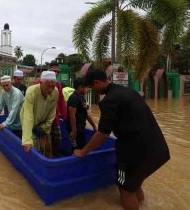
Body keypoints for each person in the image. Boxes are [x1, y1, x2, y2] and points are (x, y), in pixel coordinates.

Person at [74, 69, 170, 210]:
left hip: (135, 153)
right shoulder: (129, 92)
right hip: (159, 149)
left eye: (92, 87)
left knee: (125, 188)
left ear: (96, 82)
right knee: (134, 184)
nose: (92, 91)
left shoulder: (109, 100)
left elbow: (103, 134)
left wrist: (83, 152)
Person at [20, 71, 58, 157]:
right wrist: (26, 140)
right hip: (28, 120)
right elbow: (28, 115)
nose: (50, 90)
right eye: (48, 86)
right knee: (33, 144)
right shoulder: (31, 92)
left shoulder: (55, 92)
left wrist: (44, 127)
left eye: (53, 87)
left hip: (43, 122)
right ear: (41, 83)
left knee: (47, 145)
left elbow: (52, 112)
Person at [35, 69, 68, 157]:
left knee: (57, 137)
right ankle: (42, 155)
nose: (56, 73)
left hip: (54, 116)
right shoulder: (38, 83)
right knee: (40, 137)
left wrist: (65, 116)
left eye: (58, 72)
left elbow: (61, 100)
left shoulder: (58, 86)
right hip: (40, 116)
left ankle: (53, 153)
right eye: (54, 71)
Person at [66, 78, 97, 150]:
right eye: (86, 87)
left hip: (80, 127)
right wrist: (74, 131)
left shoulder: (81, 98)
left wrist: (94, 126)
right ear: (80, 88)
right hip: (76, 128)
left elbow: (86, 114)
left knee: (80, 147)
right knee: (78, 148)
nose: (87, 89)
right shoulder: (74, 98)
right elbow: (72, 115)